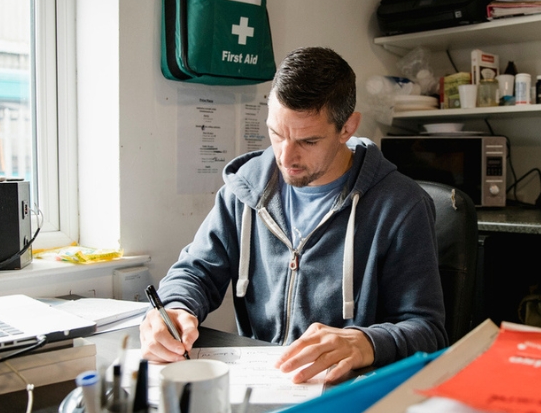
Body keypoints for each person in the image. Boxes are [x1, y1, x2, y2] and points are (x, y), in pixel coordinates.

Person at [141, 47, 447, 384]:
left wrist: (366, 342)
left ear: (347, 128)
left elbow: (427, 331)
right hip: (259, 384)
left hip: (347, 394)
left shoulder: (401, 205)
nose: (286, 156)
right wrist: (173, 309)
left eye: (308, 140)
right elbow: (195, 272)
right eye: (277, 133)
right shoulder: (244, 190)